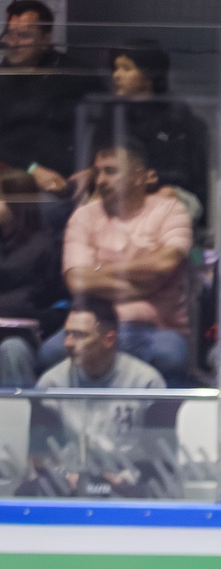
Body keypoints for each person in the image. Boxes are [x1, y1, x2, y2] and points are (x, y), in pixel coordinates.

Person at [49, 142, 192, 383]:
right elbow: (77, 281)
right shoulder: (84, 216)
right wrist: (144, 282)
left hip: (156, 328)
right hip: (92, 325)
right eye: (97, 172)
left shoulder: (170, 210)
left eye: (111, 171)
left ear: (140, 176)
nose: (100, 181)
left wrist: (100, 270)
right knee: (50, 353)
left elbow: (165, 263)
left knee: (170, 355)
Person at [33, 295, 166, 495]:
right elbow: (38, 455)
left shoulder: (147, 382)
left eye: (79, 335)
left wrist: (124, 481)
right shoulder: (51, 383)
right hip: (70, 484)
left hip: (129, 486)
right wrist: (64, 476)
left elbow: (160, 456)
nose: (68, 343)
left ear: (108, 339)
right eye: (67, 334)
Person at [74, 39, 209, 217]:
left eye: (126, 68)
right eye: (116, 68)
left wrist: (151, 186)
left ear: (148, 74)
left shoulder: (177, 116)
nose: (117, 75)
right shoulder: (110, 115)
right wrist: (91, 173)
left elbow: (184, 173)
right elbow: (101, 160)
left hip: (162, 191)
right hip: (118, 191)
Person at [0, 0, 96, 195]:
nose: (14, 43)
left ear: (45, 39)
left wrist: (94, 168)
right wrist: (32, 169)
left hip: (71, 180)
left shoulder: (76, 74)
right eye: (10, 34)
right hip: (15, 178)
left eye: (23, 35)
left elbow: (105, 127)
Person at [0, 167, 61, 385]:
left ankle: (17, 408)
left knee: (12, 349)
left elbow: (57, 303)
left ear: (17, 203)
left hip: (23, 335)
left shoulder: (46, 245)